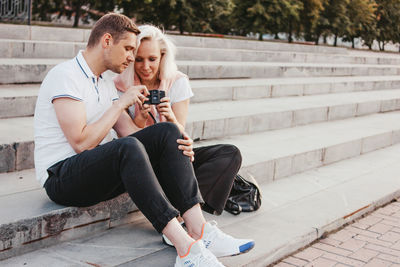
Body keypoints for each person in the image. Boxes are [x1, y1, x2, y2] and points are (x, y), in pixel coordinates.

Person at [34, 13, 254, 267]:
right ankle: (186, 250)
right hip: (61, 177)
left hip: (93, 171)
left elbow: (134, 136)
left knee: (168, 132)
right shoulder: (66, 75)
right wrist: (120, 105)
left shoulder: (104, 84)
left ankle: (200, 230)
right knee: (127, 148)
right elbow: (81, 143)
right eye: (128, 49)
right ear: (107, 40)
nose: (131, 57)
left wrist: (176, 142)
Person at [114, 25, 242, 218]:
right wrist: (140, 118)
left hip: (173, 156)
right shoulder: (120, 86)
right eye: (139, 59)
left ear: (163, 56)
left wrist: (170, 118)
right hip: (142, 160)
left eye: (152, 59)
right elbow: (128, 140)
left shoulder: (177, 81)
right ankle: (180, 211)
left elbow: (179, 128)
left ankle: (184, 211)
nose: (146, 66)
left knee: (230, 154)